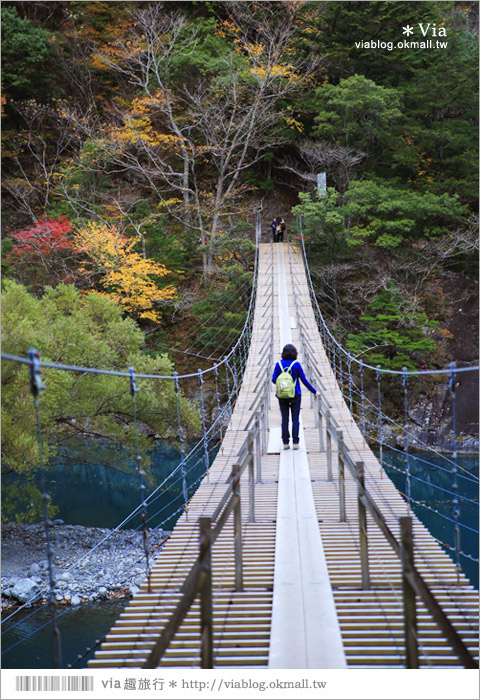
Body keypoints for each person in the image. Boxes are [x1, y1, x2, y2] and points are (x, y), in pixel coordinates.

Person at [271, 344, 317, 450]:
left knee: (284, 419)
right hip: (296, 395)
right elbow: (304, 381)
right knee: (295, 419)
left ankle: (285, 443)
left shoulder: (278, 364)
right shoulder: (296, 365)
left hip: (282, 395)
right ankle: (296, 443)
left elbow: (273, 380)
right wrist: (314, 391)